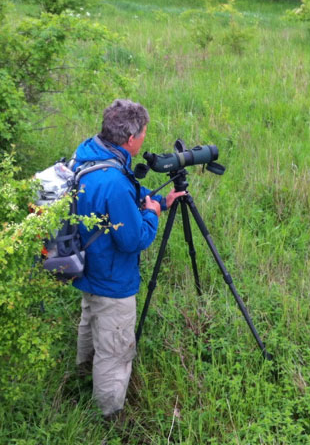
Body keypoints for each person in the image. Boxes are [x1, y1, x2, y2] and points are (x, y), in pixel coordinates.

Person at [71, 99, 184, 419]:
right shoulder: (115, 182)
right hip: (112, 277)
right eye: (144, 132)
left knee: (90, 321)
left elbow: (123, 190)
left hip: (86, 267)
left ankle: (81, 375)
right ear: (131, 138)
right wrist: (153, 214)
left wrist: (160, 197)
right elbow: (133, 240)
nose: (145, 137)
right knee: (116, 348)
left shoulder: (90, 153)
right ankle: (107, 414)